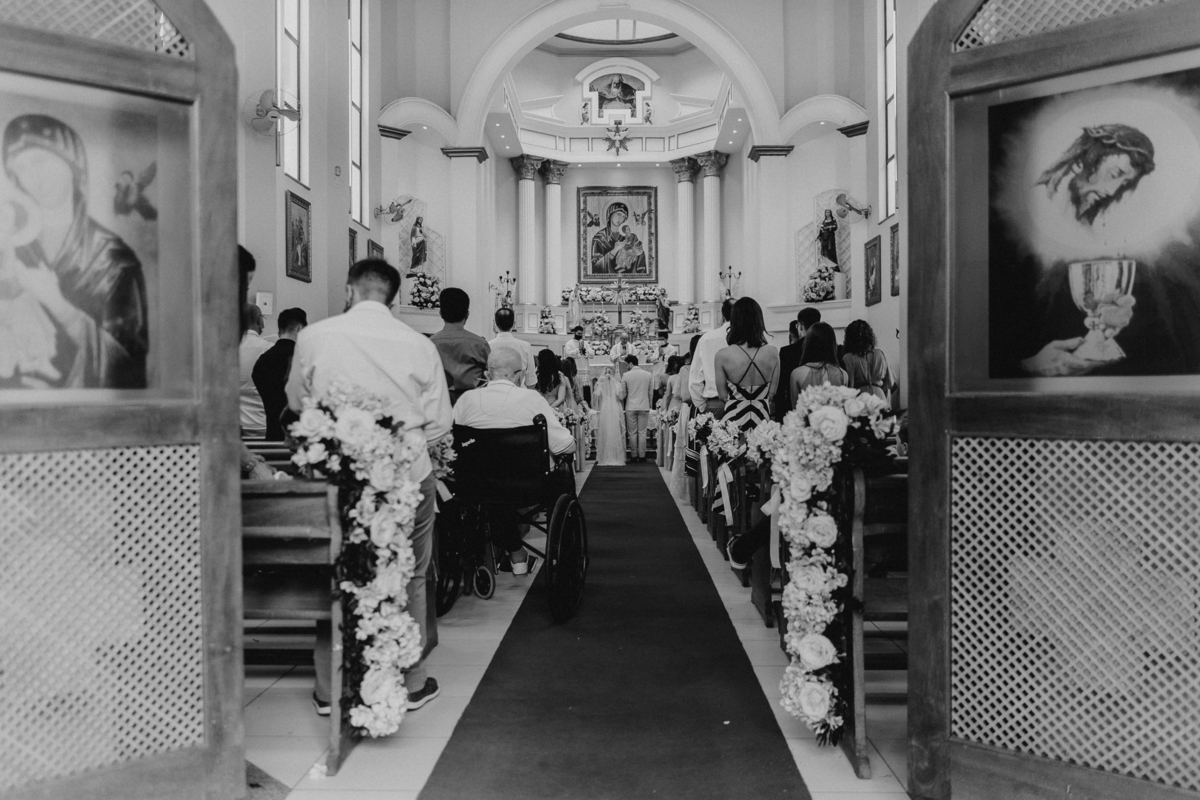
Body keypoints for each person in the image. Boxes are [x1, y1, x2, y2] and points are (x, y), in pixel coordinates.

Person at [286, 258, 452, 717]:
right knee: (411, 573)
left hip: (335, 476)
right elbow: (440, 422)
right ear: (394, 299)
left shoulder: (314, 335)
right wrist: (395, 443)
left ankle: (329, 689)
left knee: (335, 570)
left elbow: (296, 403)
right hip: (407, 475)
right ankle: (412, 681)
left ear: (348, 291)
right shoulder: (419, 344)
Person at [3, 113, 149, 388]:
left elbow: (127, 368)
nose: (32, 176)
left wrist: (57, 303)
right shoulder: (13, 247)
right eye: (20, 168)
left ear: (72, 163)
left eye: (40, 161)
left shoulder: (114, 260)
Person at [453, 347, 576, 575]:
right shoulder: (530, 399)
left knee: (494, 487)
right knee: (560, 474)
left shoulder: (466, 400)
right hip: (528, 485)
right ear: (519, 375)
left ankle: (514, 553)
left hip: (478, 485)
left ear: (488, 374)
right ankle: (538, 553)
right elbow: (564, 445)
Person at [715, 297, 779, 431]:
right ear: (759, 320)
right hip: (762, 422)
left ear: (734, 321)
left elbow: (722, 396)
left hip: (733, 424)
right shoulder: (773, 352)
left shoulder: (722, 355)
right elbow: (772, 394)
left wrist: (740, 401)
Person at [252, 307, 307, 441]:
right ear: (300, 329)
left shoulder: (263, 360)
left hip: (272, 433)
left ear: (279, 331)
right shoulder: (302, 359)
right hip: (298, 435)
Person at [430, 287, 490, 405]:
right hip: (473, 405)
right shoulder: (480, 344)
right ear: (467, 314)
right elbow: (489, 378)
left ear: (441, 313)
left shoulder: (430, 343)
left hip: (439, 405)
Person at [669, 335, 702, 499]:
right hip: (702, 408)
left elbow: (681, 395)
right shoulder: (707, 366)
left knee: (688, 449)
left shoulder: (686, 369)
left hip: (689, 409)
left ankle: (690, 493)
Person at [688, 298, 735, 415]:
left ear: (722, 316)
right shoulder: (748, 338)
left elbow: (695, 378)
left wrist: (702, 406)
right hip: (744, 403)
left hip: (715, 402)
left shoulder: (706, 339)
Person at [774, 307, 821, 421]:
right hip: (821, 407)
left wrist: (780, 417)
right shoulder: (826, 349)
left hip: (794, 410)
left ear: (799, 326)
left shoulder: (787, 352)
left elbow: (781, 388)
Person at [790, 322, 849, 410]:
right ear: (832, 345)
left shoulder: (797, 374)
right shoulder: (843, 374)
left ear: (808, 343)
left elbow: (795, 410)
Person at [842, 319, 898, 411]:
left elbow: (849, 388)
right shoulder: (880, 354)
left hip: (860, 399)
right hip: (880, 398)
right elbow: (892, 385)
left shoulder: (848, 358)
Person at [238, 303, 273, 437]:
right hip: (261, 422)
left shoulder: (227, 348)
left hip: (236, 425)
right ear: (260, 320)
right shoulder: (268, 349)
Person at [591, 202, 645, 275]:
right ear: (610, 214)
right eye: (618, 214)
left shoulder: (629, 236)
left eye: (623, 217)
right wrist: (614, 251)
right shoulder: (599, 238)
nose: (620, 219)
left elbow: (640, 258)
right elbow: (595, 267)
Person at [488, 306, 536, 387]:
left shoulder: (488, 345)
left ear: (495, 324)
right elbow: (531, 382)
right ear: (514, 324)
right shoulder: (525, 346)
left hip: (493, 392)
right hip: (518, 392)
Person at [622, 354, 652, 462]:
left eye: (627, 365)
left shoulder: (626, 375)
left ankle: (634, 456)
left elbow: (623, 393)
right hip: (644, 405)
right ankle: (642, 456)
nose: (626, 367)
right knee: (642, 432)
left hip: (631, 406)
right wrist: (649, 405)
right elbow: (650, 393)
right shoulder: (648, 375)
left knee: (632, 432)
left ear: (631, 363)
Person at [593, 367, 626, 466]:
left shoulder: (601, 385)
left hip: (605, 408)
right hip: (614, 407)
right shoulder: (617, 384)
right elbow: (620, 397)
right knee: (615, 429)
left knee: (605, 430)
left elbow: (597, 396)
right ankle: (616, 456)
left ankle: (604, 456)